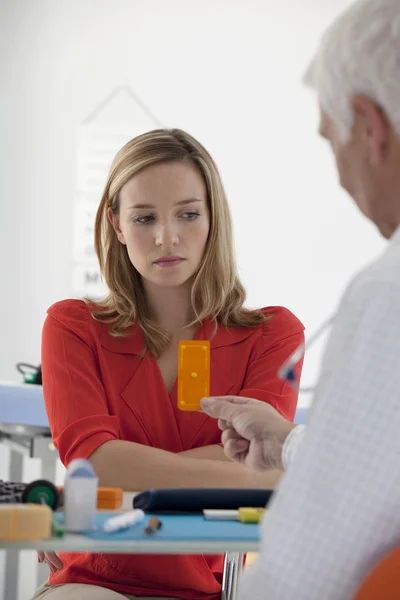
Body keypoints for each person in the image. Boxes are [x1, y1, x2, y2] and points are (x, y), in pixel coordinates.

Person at [32, 128, 304, 600]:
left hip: (208, 589)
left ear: (213, 218)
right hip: (94, 581)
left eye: (188, 214)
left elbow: (265, 464)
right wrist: (231, 471)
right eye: (144, 218)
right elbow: (94, 463)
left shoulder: (274, 335)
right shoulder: (72, 326)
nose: (166, 237)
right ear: (116, 225)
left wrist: (117, 470)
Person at [200, 0, 400, 599]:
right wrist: (288, 442)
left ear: (371, 127)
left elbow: (305, 572)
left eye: (331, 138)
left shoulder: (384, 297)